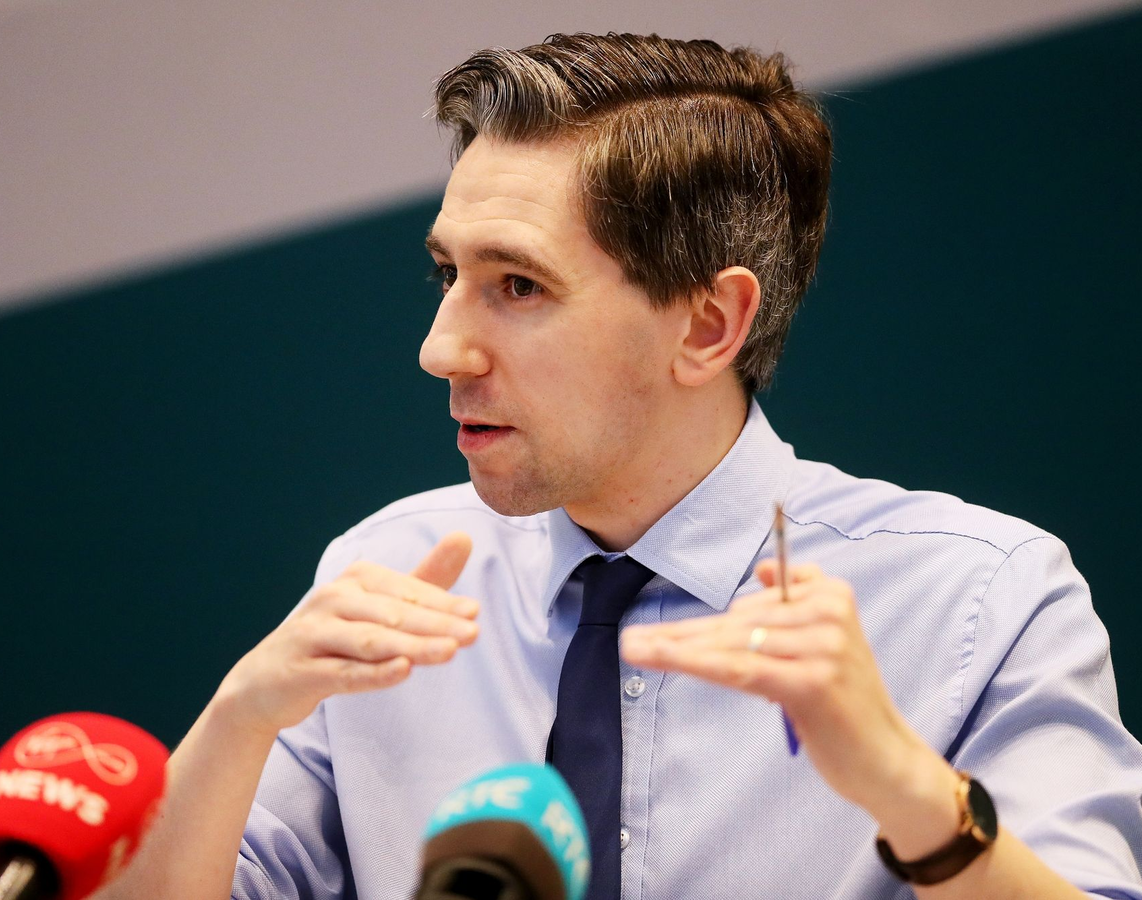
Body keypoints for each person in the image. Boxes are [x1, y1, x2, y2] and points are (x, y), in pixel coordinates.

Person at [106, 33, 1142, 899]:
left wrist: (907, 792)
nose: (440, 349)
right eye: (446, 273)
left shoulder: (980, 599)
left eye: (517, 285)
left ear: (708, 323)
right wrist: (240, 715)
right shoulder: (385, 575)